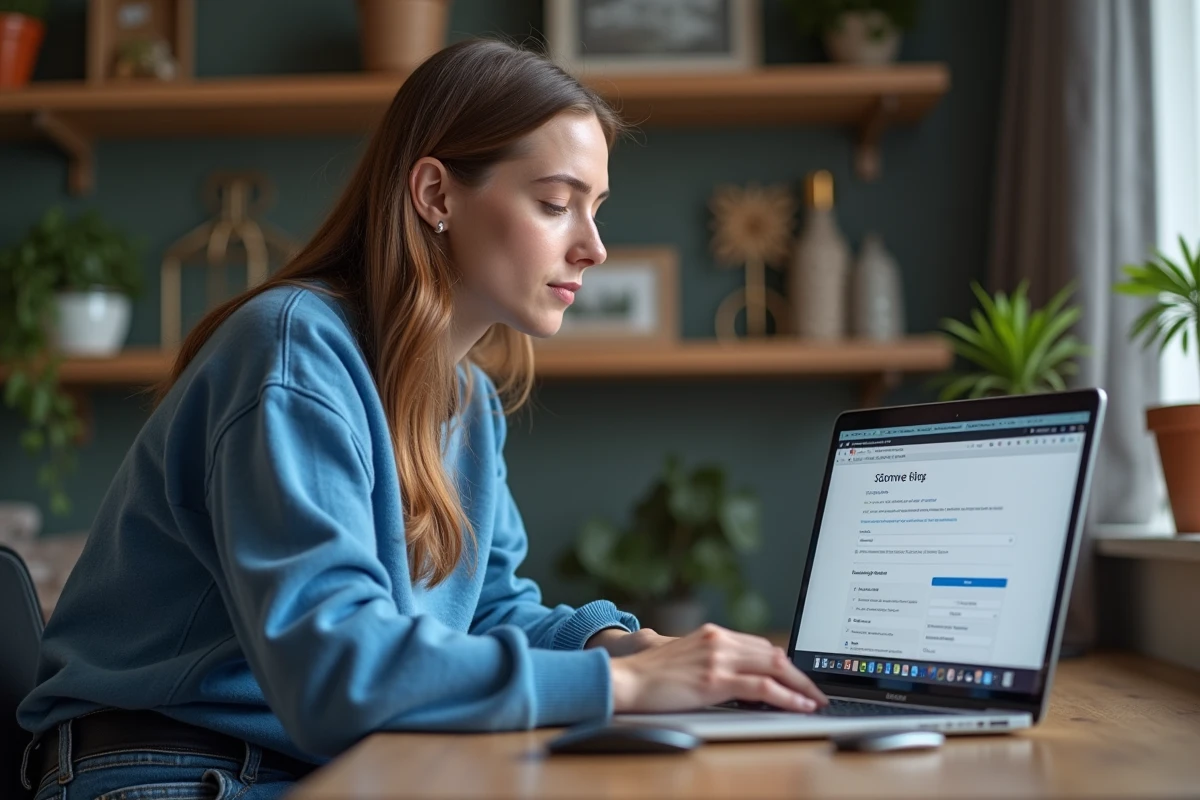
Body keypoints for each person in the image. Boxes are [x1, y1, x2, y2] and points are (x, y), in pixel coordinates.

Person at [16, 39, 827, 800]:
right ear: (436, 193)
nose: (594, 247)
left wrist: (618, 648)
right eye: (556, 204)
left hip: (303, 763)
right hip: (170, 770)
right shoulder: (293, 349)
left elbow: (488, 611)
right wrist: (625, 687)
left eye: (596, 209)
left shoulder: (465, 400)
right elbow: (335, 670)